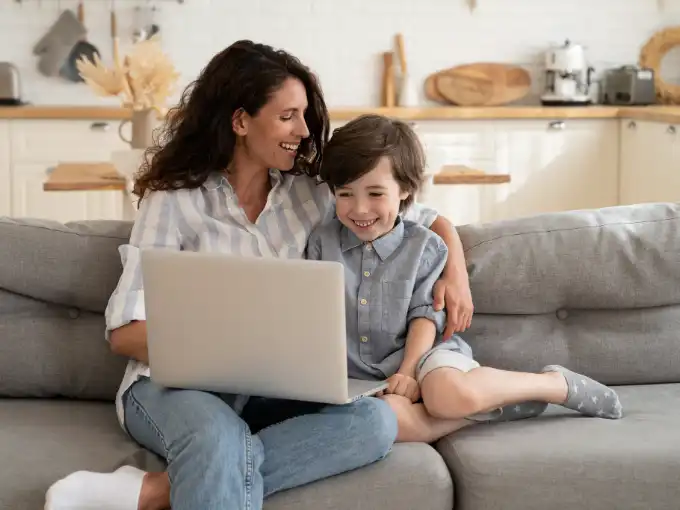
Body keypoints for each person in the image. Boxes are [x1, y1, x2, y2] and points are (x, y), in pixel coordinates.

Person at [44, 41, 474, 510]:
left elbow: (414, 214)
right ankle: (197, 472)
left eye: (305, 114)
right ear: (241, 120)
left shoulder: (309, 195)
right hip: (172, 388)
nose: (304, 130)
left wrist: (455, 268)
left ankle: (152, 491)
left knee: (373, 423)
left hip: (271, 391)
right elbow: (124, 332)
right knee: (217, 435)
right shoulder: (175, 201)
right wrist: (227, 352)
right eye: (288, 115)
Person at [305, 114, 624, 444]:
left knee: (448, 397)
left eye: (375, 194)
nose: (359, 208)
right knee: (389, 419)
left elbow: (425, 317)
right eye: (344, 194)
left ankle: (552, 385)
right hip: (362, 374)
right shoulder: (321, 242)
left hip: (424, 354)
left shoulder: (424, 246)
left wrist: (408, 371)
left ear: (405, 190)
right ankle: (497, 409)